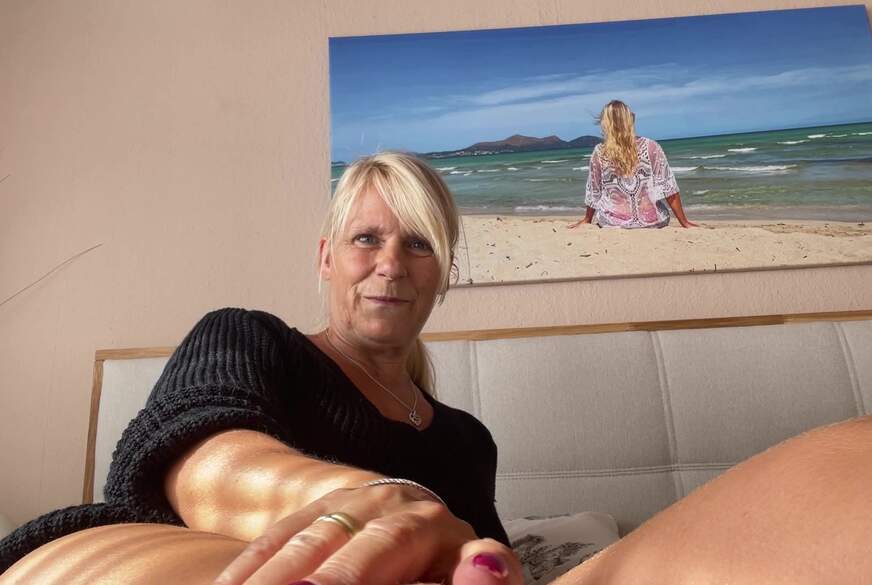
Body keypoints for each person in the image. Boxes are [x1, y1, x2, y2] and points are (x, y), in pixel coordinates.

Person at [0, 152, 523, 585]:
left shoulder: (469, 439)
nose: (390, 264)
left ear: (444, 274)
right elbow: (201, 464)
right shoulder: (249, 337)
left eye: (418, 244)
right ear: (326, 259)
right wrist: (378, 504)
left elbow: (483, 560)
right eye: (366, 238)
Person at [568, 100, 697, 229]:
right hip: (651, 221)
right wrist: (684, 222)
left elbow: (594, 191)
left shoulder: (600, 153)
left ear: (605, 124)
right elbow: (668, 187)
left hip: (612, 222)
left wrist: (587, 219)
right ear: (630, 120)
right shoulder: (651, 147)